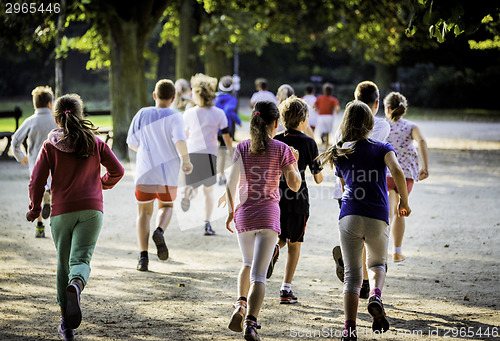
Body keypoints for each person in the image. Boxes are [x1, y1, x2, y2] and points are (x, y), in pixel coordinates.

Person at [26, 94, 124, 341]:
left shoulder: (50, 145)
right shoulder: (95, 142)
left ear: (56, 117)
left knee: (63, 262)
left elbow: (37, 180)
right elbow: (118, 170)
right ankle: (77, 285)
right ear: (81, 114)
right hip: (92, 210)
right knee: (81, 258)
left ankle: (65, 324)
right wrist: (103, 183)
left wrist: (35, 207)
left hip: (61, 211)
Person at [317, 101, 411, 341]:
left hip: (349, 215)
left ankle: (349, 329)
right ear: (371, 123)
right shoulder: (382, 147)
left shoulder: (340, 151)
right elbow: (398, 172)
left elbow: (344, 186)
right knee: (378, 264)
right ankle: (376, 295)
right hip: (377, 214)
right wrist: (403, 202)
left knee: (351, 277)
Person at [219, 101, 301, 341]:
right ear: (276, 123)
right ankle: (251, 323)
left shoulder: (242, 147)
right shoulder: (282, 148)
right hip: (268, 215)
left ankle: (239, 305)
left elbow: (230, 182)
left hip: (244, 214)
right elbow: (295, 185)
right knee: (259, 276)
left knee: (246, 263)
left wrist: (230, 212)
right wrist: (293, 161)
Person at [332, 81, 391, 299]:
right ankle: (368, 282)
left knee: (354, 232)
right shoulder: (382, 126)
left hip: (347, 191)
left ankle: (360, 280)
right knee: (371, 238)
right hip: (370, 189)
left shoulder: (342, 130)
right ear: (376, 104)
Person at [127, 79, 193, 271]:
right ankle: (159, 230)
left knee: (143, 213)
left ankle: (143, 257)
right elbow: (180, 140)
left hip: (145, 171)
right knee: (166, 206)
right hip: (167, 173)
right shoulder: (175, 116)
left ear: (155, 95)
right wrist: (186, 161)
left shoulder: (142, 113)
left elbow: (132, 142)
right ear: (173, 98)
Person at [266, 96, 323, 305]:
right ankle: (286, 288)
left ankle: (274, 249)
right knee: (295, 243)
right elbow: (318, 178)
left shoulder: (276, 140)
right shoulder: (309, 143)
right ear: (302, 120)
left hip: (276, 197)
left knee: (280, 236)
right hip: (298, 199)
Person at [182, 73, 233, 235]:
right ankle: (207, 224)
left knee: (194, 186)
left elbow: (185, 134)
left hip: (192, 153)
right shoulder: (219, 114)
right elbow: (226, 136)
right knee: (209, 191)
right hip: (210, 155)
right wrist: (231, 152)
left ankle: (188, 194)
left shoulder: (189, 113)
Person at [384, 91, 429, 262]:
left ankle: (382, 251)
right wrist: (425, 166)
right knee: (399, 212)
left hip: (386, 173)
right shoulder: (411, 127)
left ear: (387, 108)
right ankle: (397, 251)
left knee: (388, 212)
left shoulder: (383, 126)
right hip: (406, 176)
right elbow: (422, 141)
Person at [12, 86, 58, 238]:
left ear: (35, 104)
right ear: (50, 104)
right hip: (54, 162)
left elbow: (15, 140)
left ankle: (39, 225)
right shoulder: (55, 120)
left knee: (35, 192)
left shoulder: (30, 121)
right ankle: (54, 216)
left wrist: (21, 156)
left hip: (35, 162)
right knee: (55, 190)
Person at [215, 75, 241, 185]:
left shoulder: (214, 97)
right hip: (225, 128)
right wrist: (238, 121)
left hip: (213, 127)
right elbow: (229, 112)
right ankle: (221, 174)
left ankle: (214, 173)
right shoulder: (232, 99)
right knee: (222, 151)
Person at [314, 82, 340, 151]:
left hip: (321, 116)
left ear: (324, 91)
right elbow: (337, 109)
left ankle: (322, 139)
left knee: (321, 130)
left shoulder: (319, 98)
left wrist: (317, 111)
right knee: (327, 133)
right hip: (329, 117)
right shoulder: (333, 99)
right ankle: (326, 147)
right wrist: (337, 111)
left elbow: (314, 106)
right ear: (331, 91)